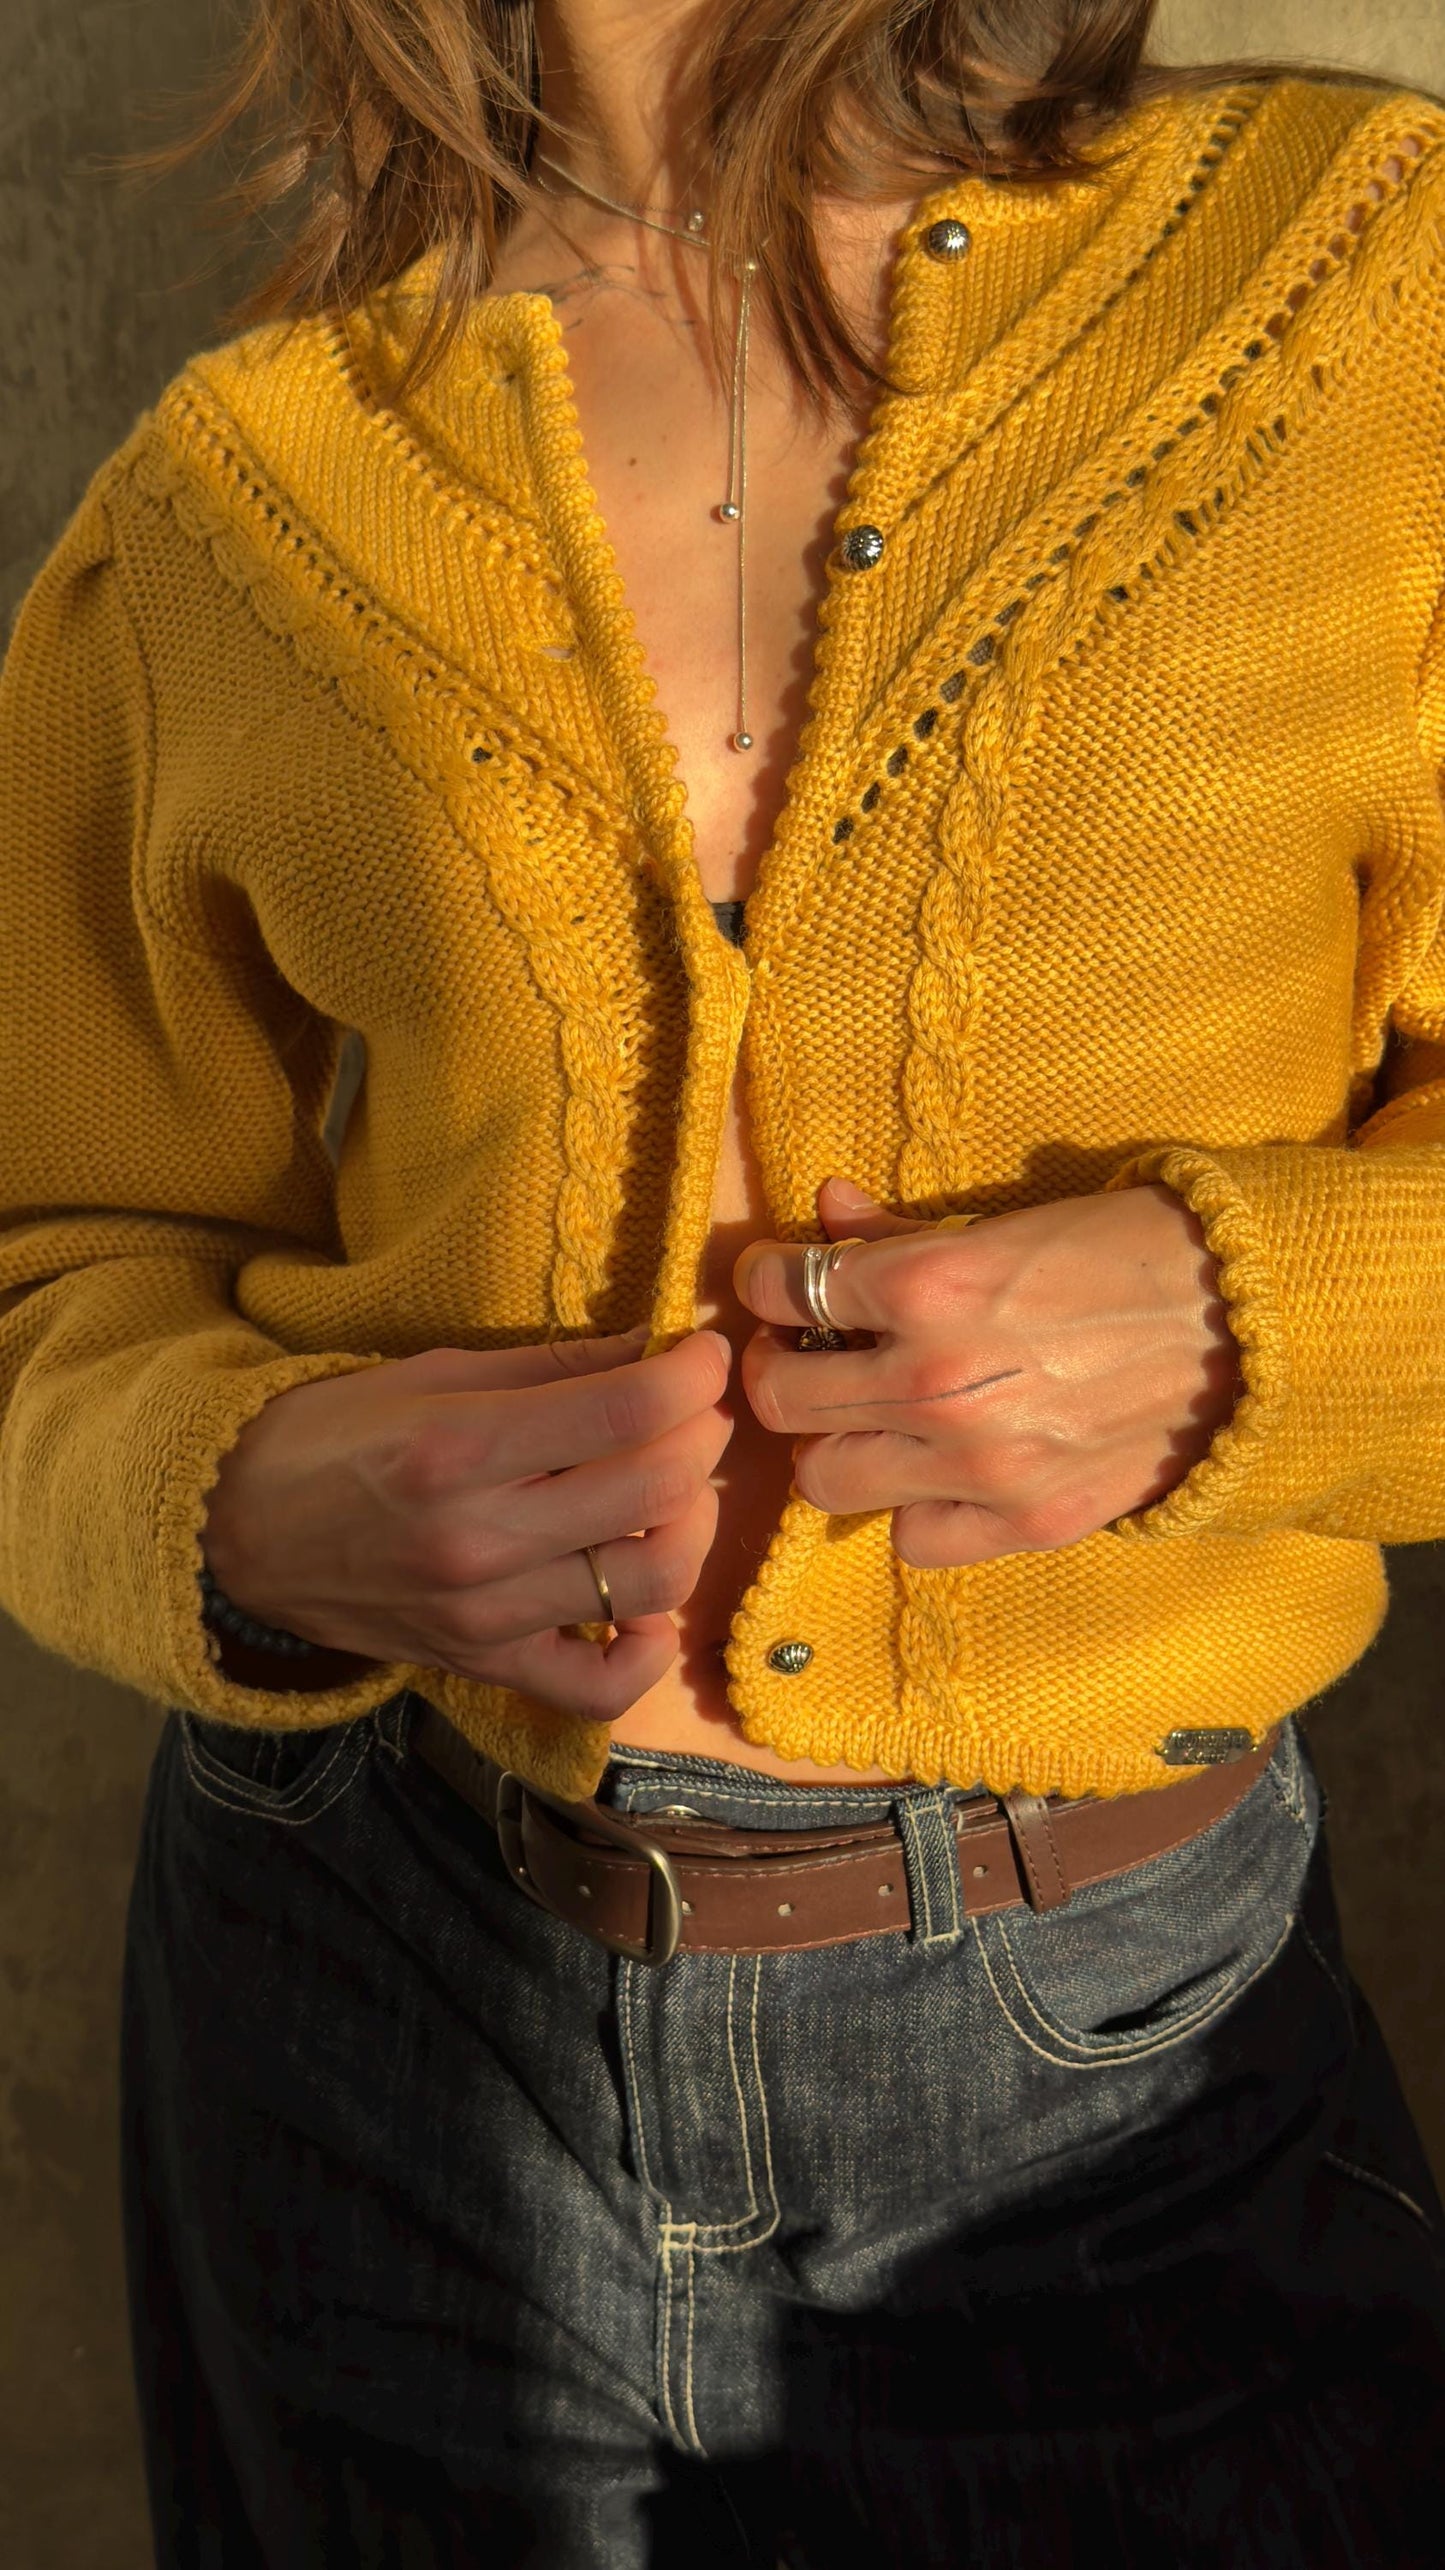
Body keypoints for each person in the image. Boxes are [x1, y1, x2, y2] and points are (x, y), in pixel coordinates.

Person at [4, 0, 1445, 2557]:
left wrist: (1278, 1312)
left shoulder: (1357, 290)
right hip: (367, 2002)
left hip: (1110, 2044)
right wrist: (222, 1493)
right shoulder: (251, 478)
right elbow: (51, 1250)